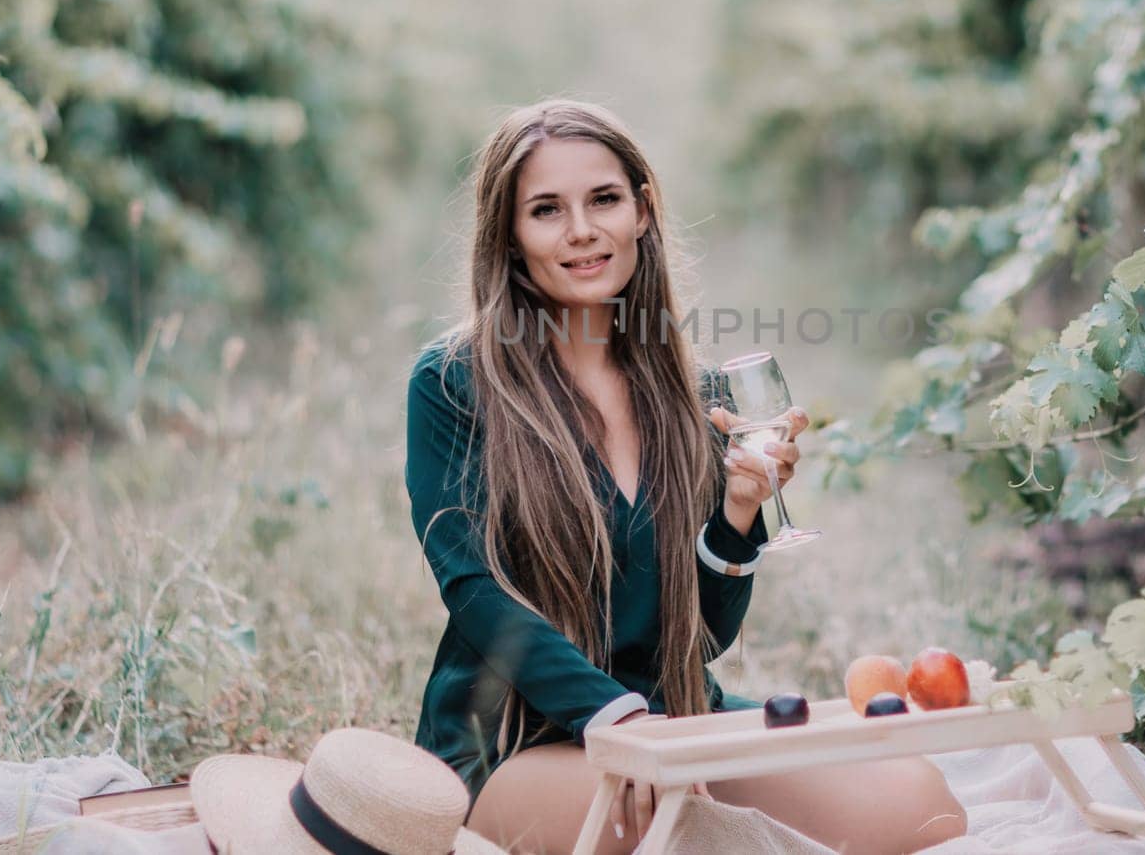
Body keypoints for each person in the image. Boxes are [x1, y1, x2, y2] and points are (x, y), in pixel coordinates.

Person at [405, 99, 966, 853]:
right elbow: (473, 586)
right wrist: (618, 718)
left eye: (603, 199)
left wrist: (738, 517)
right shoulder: (454, 381)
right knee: (696, 836)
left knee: (919, 805)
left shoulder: (694, 395)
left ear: (641, 211)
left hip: (678, 717)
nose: (581, 230)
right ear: (510, 235)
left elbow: (701, 634)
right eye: (546, 210)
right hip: (522, 737)